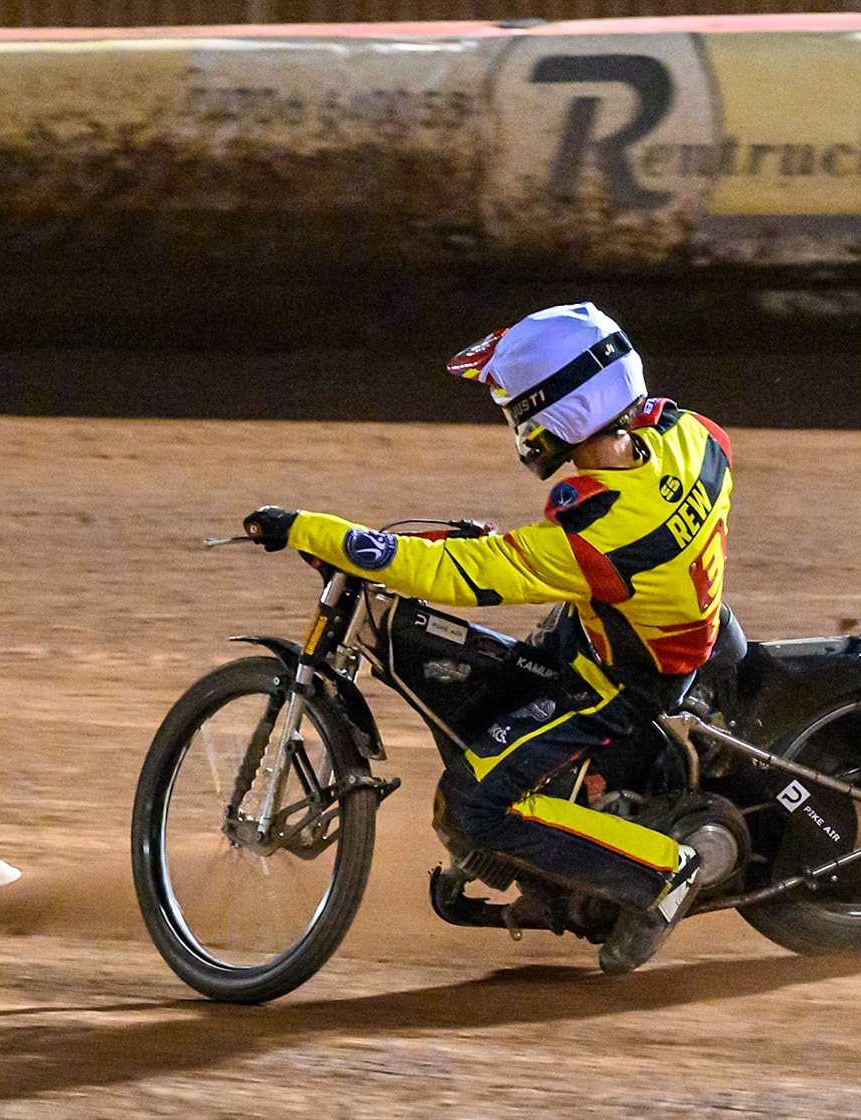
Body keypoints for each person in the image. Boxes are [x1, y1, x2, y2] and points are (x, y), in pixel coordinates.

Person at [243, 302, 733, 973]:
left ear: (562, 408)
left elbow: (447, 574)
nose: (515, 424)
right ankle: (547, 853)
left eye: (517, 408)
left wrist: (308, 529)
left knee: (469, 803)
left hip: (625, 681)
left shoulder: (595, 535)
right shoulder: (689, 436)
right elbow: (562, 550)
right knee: (502, 682)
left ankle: (663, 873)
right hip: (644, 623)